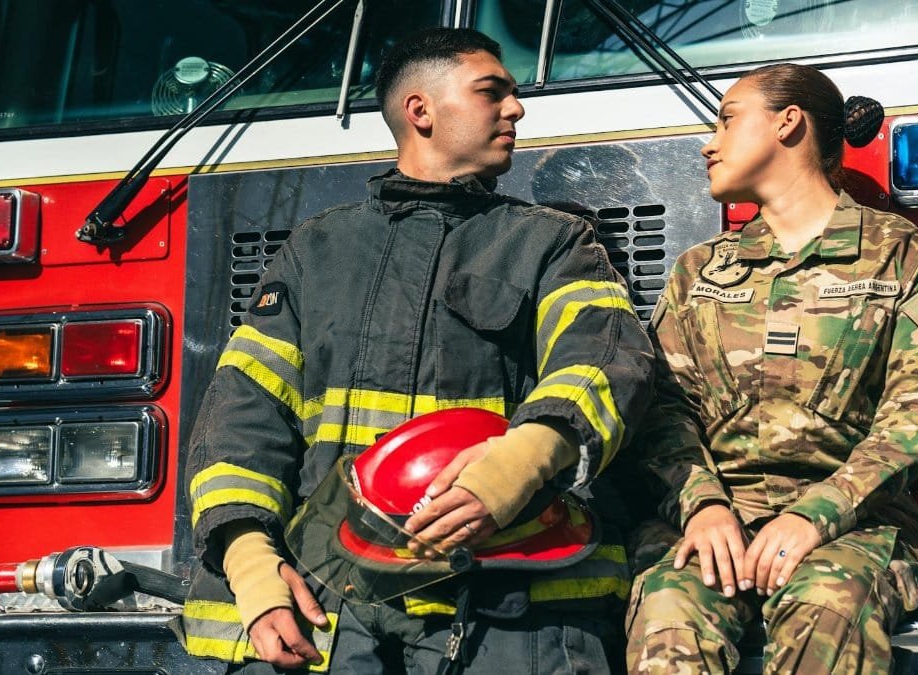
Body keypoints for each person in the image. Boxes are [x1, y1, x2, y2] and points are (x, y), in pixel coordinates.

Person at [179, 27, 653, 674]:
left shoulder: (554, 244)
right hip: (328, 613)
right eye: (493, 92)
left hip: (508, 604)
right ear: (420, 111)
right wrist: (251, 565)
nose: (516, 109)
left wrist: (517, 466)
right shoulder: (316, 252)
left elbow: (603, 361)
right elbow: (242, 419)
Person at [625, 63, 918, 674]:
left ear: (789, 123)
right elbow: (663, 408)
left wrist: (819, 513)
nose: (709, 142)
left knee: (829, 607)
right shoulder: (699, 271)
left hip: (854, 525)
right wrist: (703, 506)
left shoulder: (895, 251)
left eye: (728, 120)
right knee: (667, 612)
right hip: (716, 522)